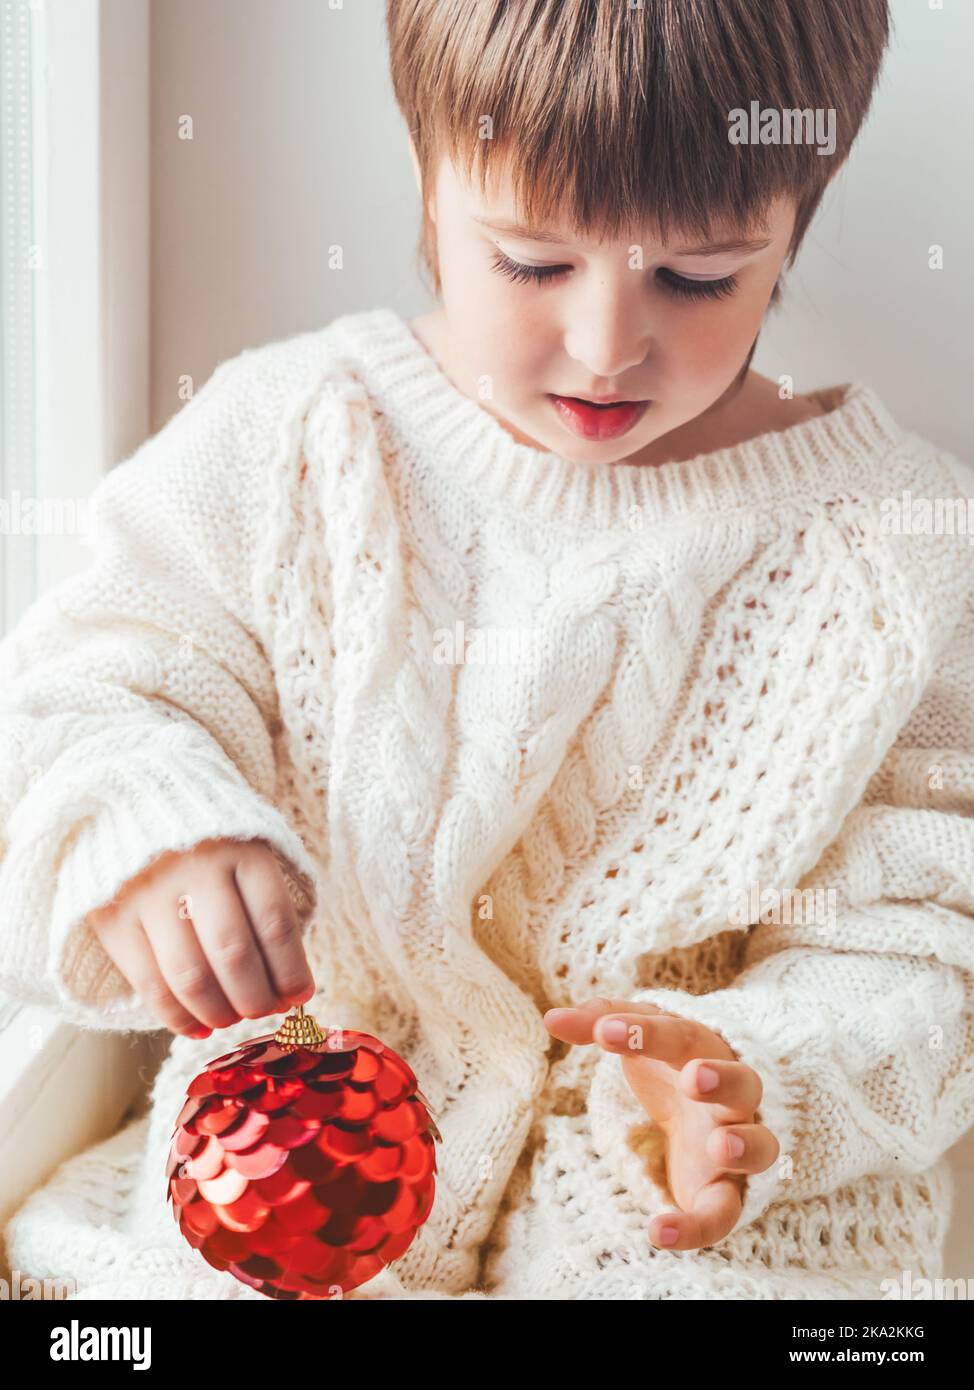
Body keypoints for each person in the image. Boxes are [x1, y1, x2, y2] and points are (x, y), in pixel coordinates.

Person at [2, 0, 972, 1301]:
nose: (605, 345)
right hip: (290, 1162)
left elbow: (931, 922)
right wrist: (150, 831)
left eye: (696, 277)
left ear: (799, 213)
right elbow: (80, 690)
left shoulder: (896, 544)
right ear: (423, 181)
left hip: (679, 1213)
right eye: (529, 261)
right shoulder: (292, 435)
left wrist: (757, 1075)